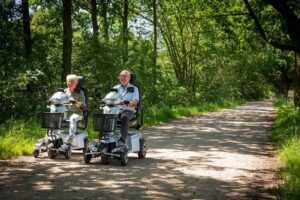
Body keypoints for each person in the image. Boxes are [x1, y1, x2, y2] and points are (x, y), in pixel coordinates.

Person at [113, 70, 139, 144]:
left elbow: (135, 101)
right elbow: (109, 98)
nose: (122, 77)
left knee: (124, 116)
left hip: (129, 110)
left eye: (125, 76)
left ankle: (122, 140)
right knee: (105, 116)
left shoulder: (134, 88)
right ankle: (103, 139)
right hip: (116, 110)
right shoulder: (115, 88)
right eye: (121, 76)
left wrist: (125, 103)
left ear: (129, 78)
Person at [65, 74, 86, 143]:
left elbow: (82, 105)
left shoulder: (80, 93)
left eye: (72, 81)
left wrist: (75, 102)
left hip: (77, 113)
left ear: (76, 83)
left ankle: (71, 138)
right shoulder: (64, 91)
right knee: (54, 116)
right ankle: (49, 138)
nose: (70, 83)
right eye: (69, 81)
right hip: (66, 113)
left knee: (73, 118)